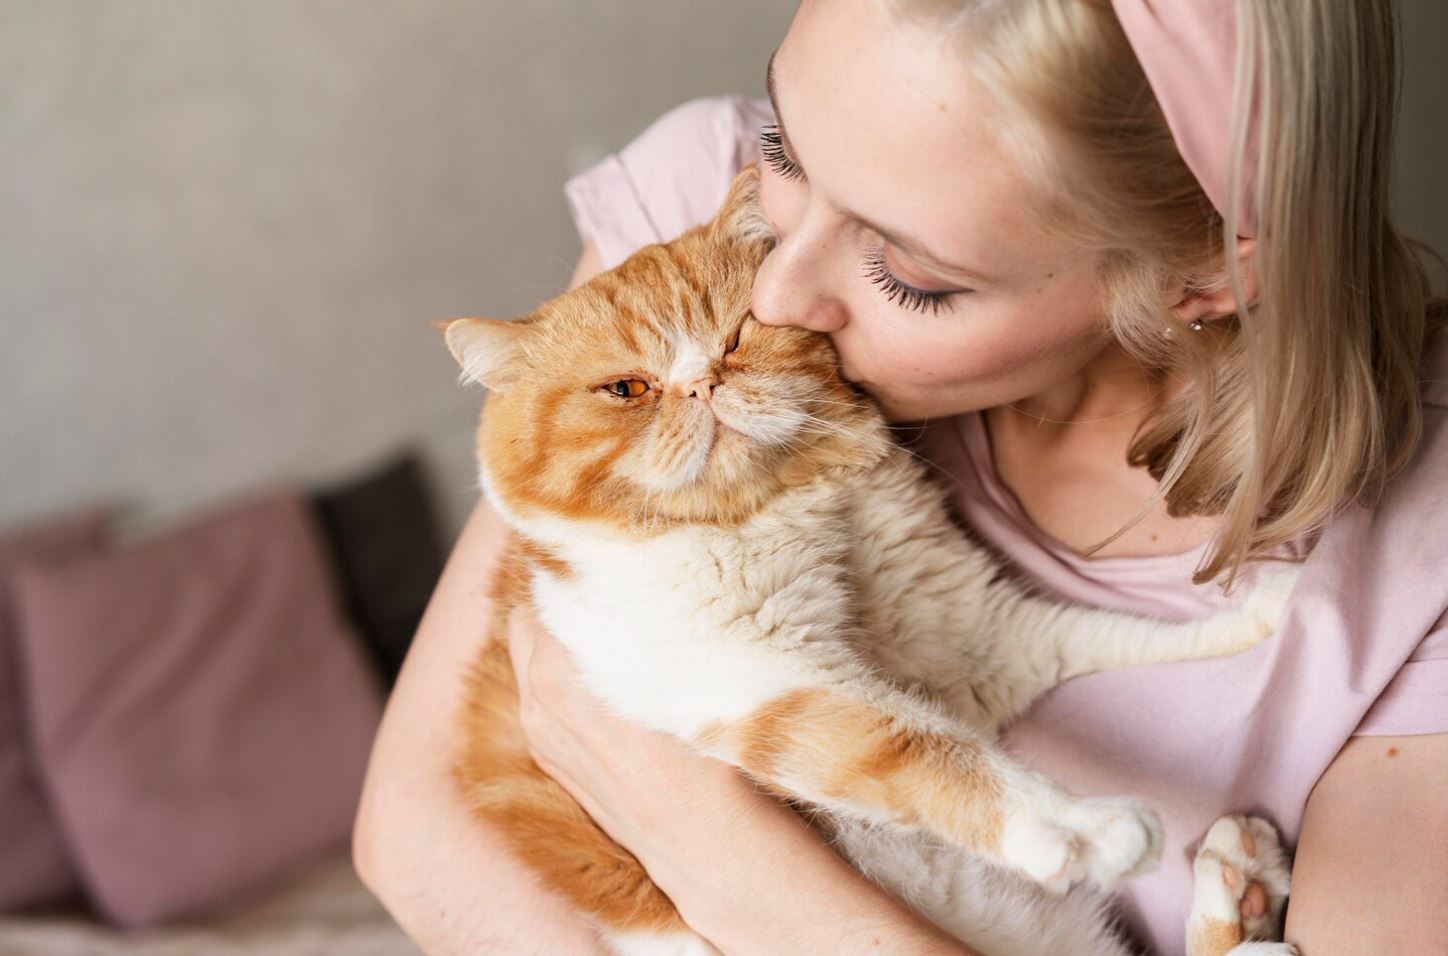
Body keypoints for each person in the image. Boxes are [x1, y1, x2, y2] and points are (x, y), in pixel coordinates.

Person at [353, 1, 1448, 953]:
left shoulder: (1417, 534)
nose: (772, 295)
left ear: (1196, 278)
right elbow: (421, 829)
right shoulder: (700, 223)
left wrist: (712, 843)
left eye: (907, 273)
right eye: (785, 148)